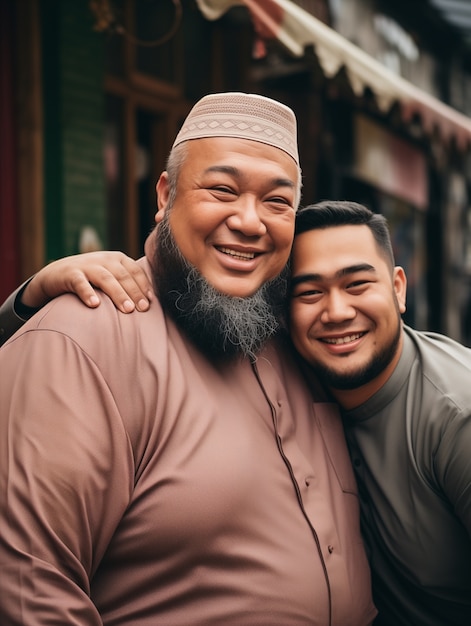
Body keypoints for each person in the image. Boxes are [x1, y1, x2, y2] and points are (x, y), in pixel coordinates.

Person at [0, 94, 375, 625]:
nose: (250, 222)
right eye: (222, 190)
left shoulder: (303, 332)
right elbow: (28, 590)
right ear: (165, 193)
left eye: (277, 202)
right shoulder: (83, 338)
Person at [289, 200, 471, 626]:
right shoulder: (288, 380)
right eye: (310, 292)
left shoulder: (457, 415)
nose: (336, 312)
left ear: (398, 289)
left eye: (356, 285)